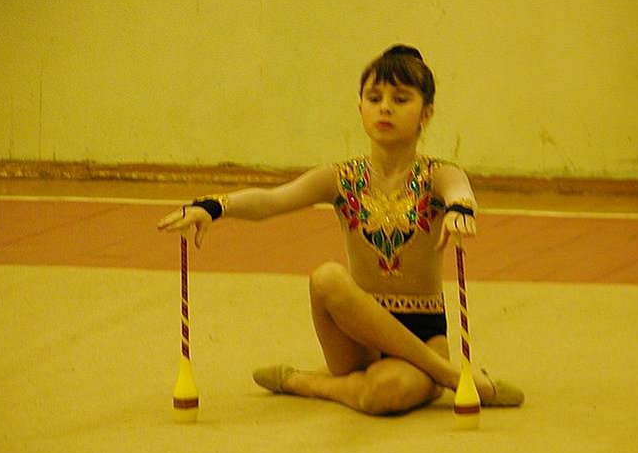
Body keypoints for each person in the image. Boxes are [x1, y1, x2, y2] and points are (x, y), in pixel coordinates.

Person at [157, 45, 523, 415]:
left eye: (400, 99)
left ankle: (304, 381)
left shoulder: (437, 174)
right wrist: (213, 206)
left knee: (385, 394)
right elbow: (272, 201)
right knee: (327, 277)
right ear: (360, 107)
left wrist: (460, 210)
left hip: (424, 335)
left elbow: (459, 190)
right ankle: (454, 377)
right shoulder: (341, 177)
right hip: (354, 336)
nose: (385, 108)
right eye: (374, 98)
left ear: (425, 113)